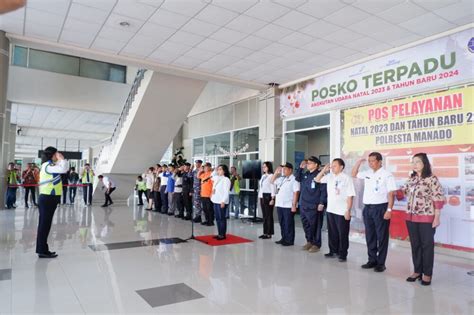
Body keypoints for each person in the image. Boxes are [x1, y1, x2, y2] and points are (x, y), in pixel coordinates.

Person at [400, 153, 445, 286]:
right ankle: (417, 271)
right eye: (412, 162)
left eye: (417, 162)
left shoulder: (432, 179)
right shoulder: (411, 179)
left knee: (427, 245)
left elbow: (438, 198)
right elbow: (403, 193)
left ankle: (427, 274)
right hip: (411, 217)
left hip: (427, 217)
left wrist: (437, 217)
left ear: (424, 164)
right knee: (415, 245)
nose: (414, 164)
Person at [352, 152, 397, 272]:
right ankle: (372, 260)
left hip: (381, 208)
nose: (371, 163)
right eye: (369, 161)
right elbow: (354, 174)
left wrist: (389, 210)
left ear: (380, 161)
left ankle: (381, 263)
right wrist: (358, 163)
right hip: (368, 208)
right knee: (370, 235)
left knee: (381, 236)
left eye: (373, 161)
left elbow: (391, 193)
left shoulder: (387, 175)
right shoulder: (367, 173)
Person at [316, 159, 355, 262]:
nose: (332, 168)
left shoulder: (347, 178)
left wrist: (348, 210)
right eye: (332, 166)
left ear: (341, 167)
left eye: (335, 166)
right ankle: (333, 251)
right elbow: (317, 179)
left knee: (342, 233)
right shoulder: (329, 177)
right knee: (332, 232)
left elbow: (350, 196)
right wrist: (324, 170)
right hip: (331, 209)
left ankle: (343, 254)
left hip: (342, 211)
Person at [36, 146, 69, 258]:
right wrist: (62, 159)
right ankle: (42, 251)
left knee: (45, 225)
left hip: (50, 198)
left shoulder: (51, 165)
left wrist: (61, 160)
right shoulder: (48, 165)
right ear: (52, 155)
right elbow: (63, 169)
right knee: (44, 225)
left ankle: (43, 249)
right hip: (47, 198)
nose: (58, 155)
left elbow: (64, 168)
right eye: (56, 154)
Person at [295, 156, 327, 253]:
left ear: (316, 164)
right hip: (303, 204)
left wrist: (321, 203)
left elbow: (323, 190)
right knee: (306, 225)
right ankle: (309, 241)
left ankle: (316, 244)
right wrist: (300, 168)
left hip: (314, 204)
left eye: (309, 163)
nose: (307, 165)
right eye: (307, 163)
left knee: (315, 225)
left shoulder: (320, 175)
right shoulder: (306, 174)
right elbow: (297, 178)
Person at [272, 163, 300, 246]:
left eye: (285, 169)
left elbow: (296, 192)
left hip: (288, 205)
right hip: (280, 204)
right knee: (282, 223)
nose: (283, 171)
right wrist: (276, 173)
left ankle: (289, 240)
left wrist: (294, 205)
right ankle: (283, 238)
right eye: (282, 169)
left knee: (289, 223)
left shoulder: (295, 179)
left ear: (290, 170)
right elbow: (272, 181)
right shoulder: (282, 178)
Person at [211, 164, 232, 240]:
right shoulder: (217, 178)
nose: (218, 171)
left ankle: (223, 235)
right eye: (218, 169)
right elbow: (211, 175)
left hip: (221, 201)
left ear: (224, 171)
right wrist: (215, 169)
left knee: (222, 218)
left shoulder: (226, 179)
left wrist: (223, 201)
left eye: (220, 169)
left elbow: (226, 192)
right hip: (215, 200)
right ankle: (219, 233)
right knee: (217, 218)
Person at [258, 161, 276, 239]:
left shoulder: (272, 176)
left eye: (265, 166)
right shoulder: (263, 176)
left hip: (268, 196)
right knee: (264, 216)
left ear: (269, 167)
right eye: (263, 167)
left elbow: (273, 187)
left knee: (269, 216)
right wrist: (260, 197)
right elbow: (261, 187)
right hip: (262, 196)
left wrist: (273, 198)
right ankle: (265, 232)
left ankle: (269, 233)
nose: (263, 168)